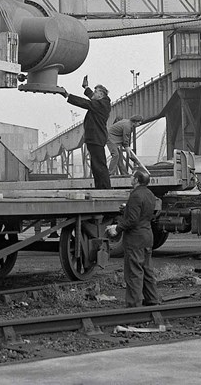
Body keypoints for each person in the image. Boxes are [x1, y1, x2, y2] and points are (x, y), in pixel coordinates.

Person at [106, 170, 161, 307]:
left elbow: (132, 220)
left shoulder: (135, 195)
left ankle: (134, 305)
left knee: (134, 272)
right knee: (147, 271)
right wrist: (127, 209)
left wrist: (116, 229)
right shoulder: (150, 194)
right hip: (147, 236)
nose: (131, 178)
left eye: (132, 176)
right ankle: (152, 300)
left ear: (136, 180)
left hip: (135, 239)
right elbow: (143, 213)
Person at [61, 76, 111, 189]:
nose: (94, 93)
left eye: (96, 91)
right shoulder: (101, 103)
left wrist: (68, 96)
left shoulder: (101, 104)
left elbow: (86, 103)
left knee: (99, 165)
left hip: (96, 138)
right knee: (96, 165)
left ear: (101, 95)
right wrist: (86, 87)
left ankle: (104, 188)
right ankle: (100, 187)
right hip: (95, 138)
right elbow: (92, 99)